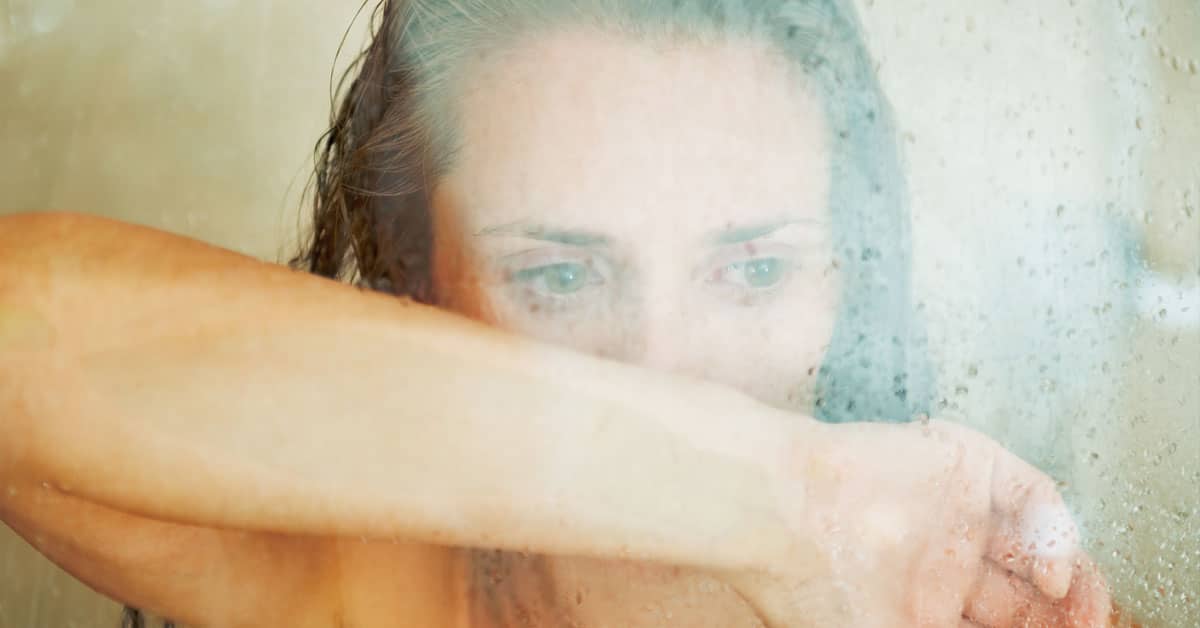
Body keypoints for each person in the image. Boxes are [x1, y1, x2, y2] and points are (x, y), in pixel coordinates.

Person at [0, 0, 1111, 626]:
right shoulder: (375, 585)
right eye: (562, 278)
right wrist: (782, 498)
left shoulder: (971, 602)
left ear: (848, 281)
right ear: (417, 280)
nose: (668, 367)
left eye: (757, 269)